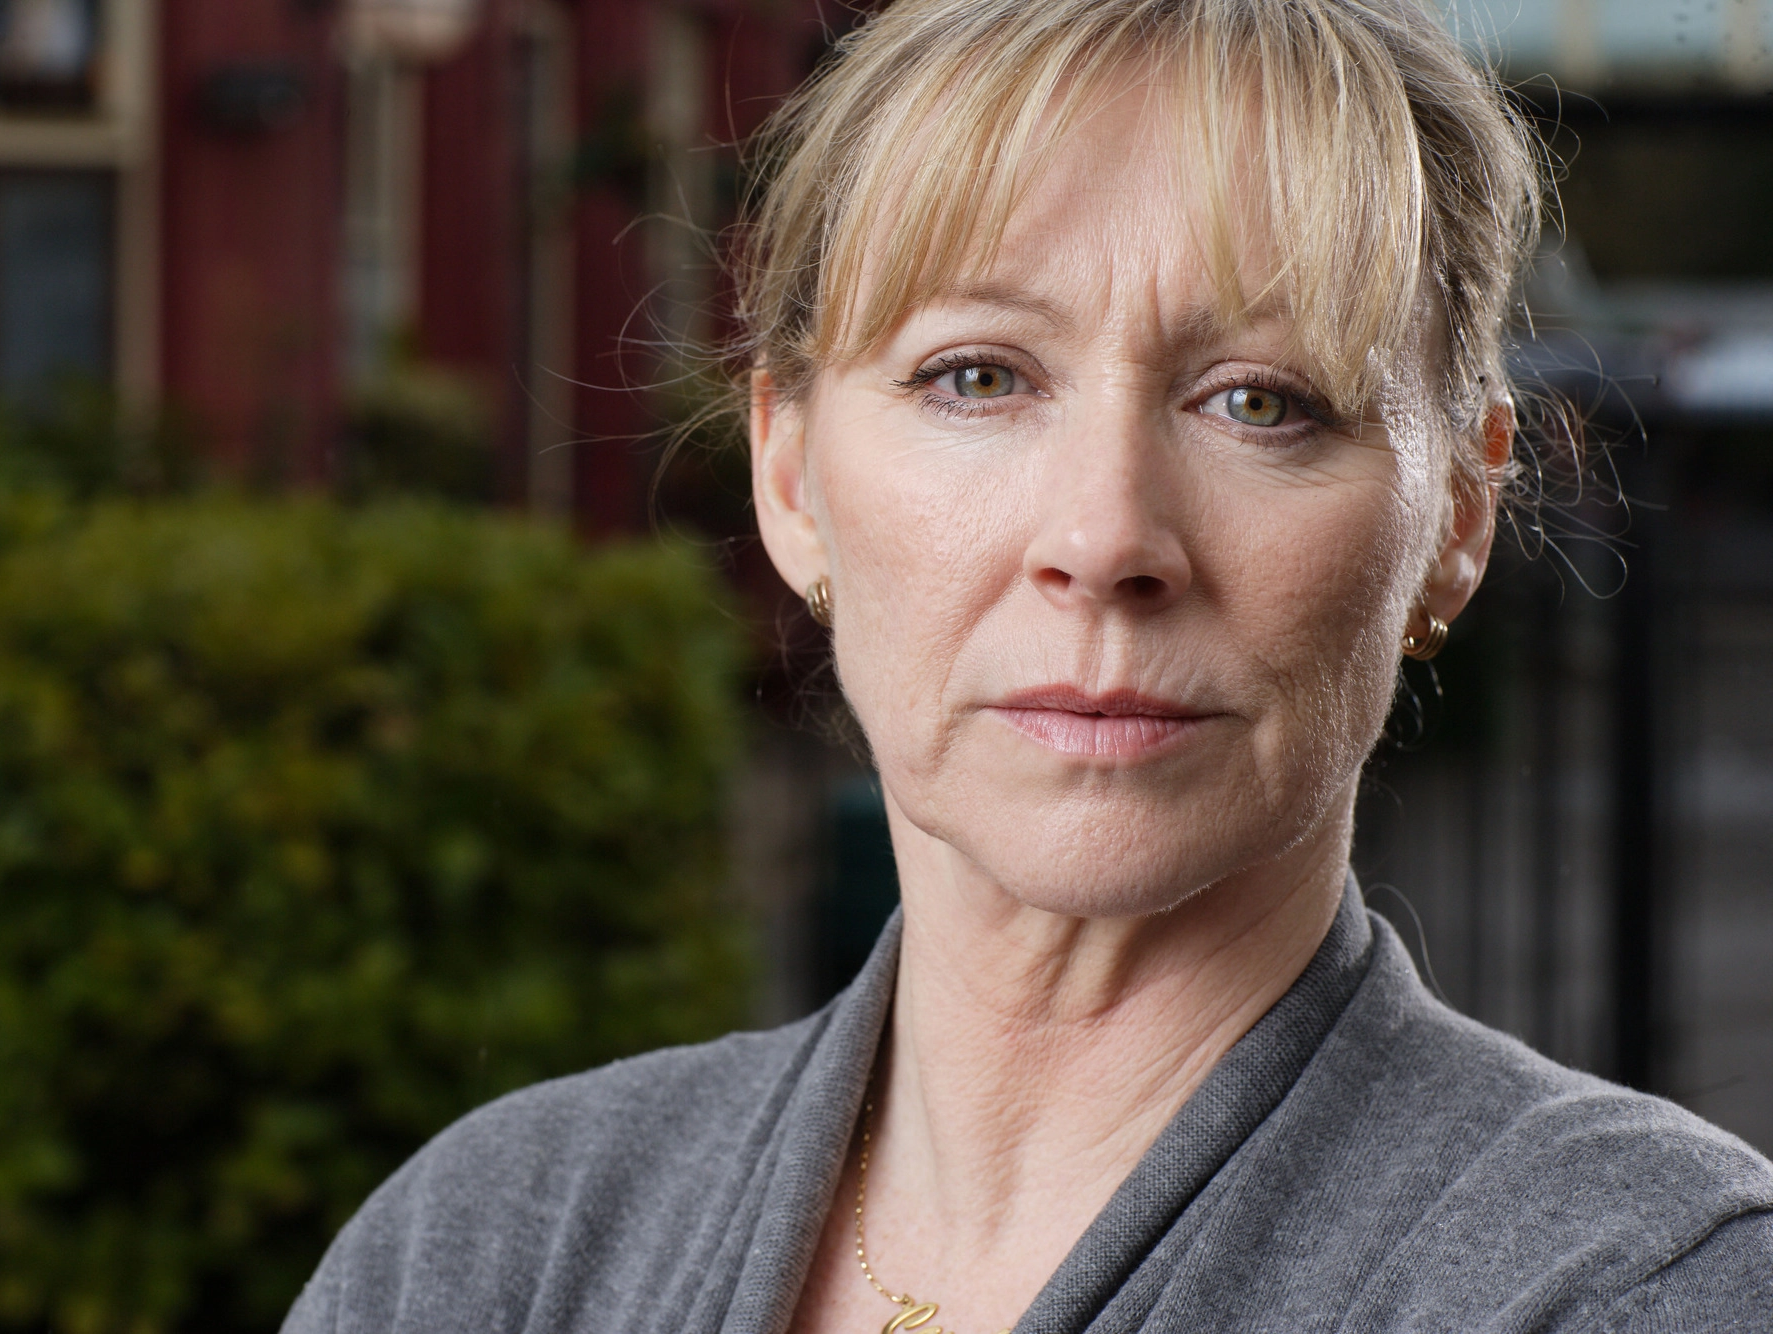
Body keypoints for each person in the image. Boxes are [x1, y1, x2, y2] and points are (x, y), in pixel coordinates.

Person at [282, 1, 1773, 1330]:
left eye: (1260, 401)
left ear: (1456, 515)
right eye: (978, 376)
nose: (1105, 536)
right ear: (791, 476)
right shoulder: (486, 1248)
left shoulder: (1641, 1293)